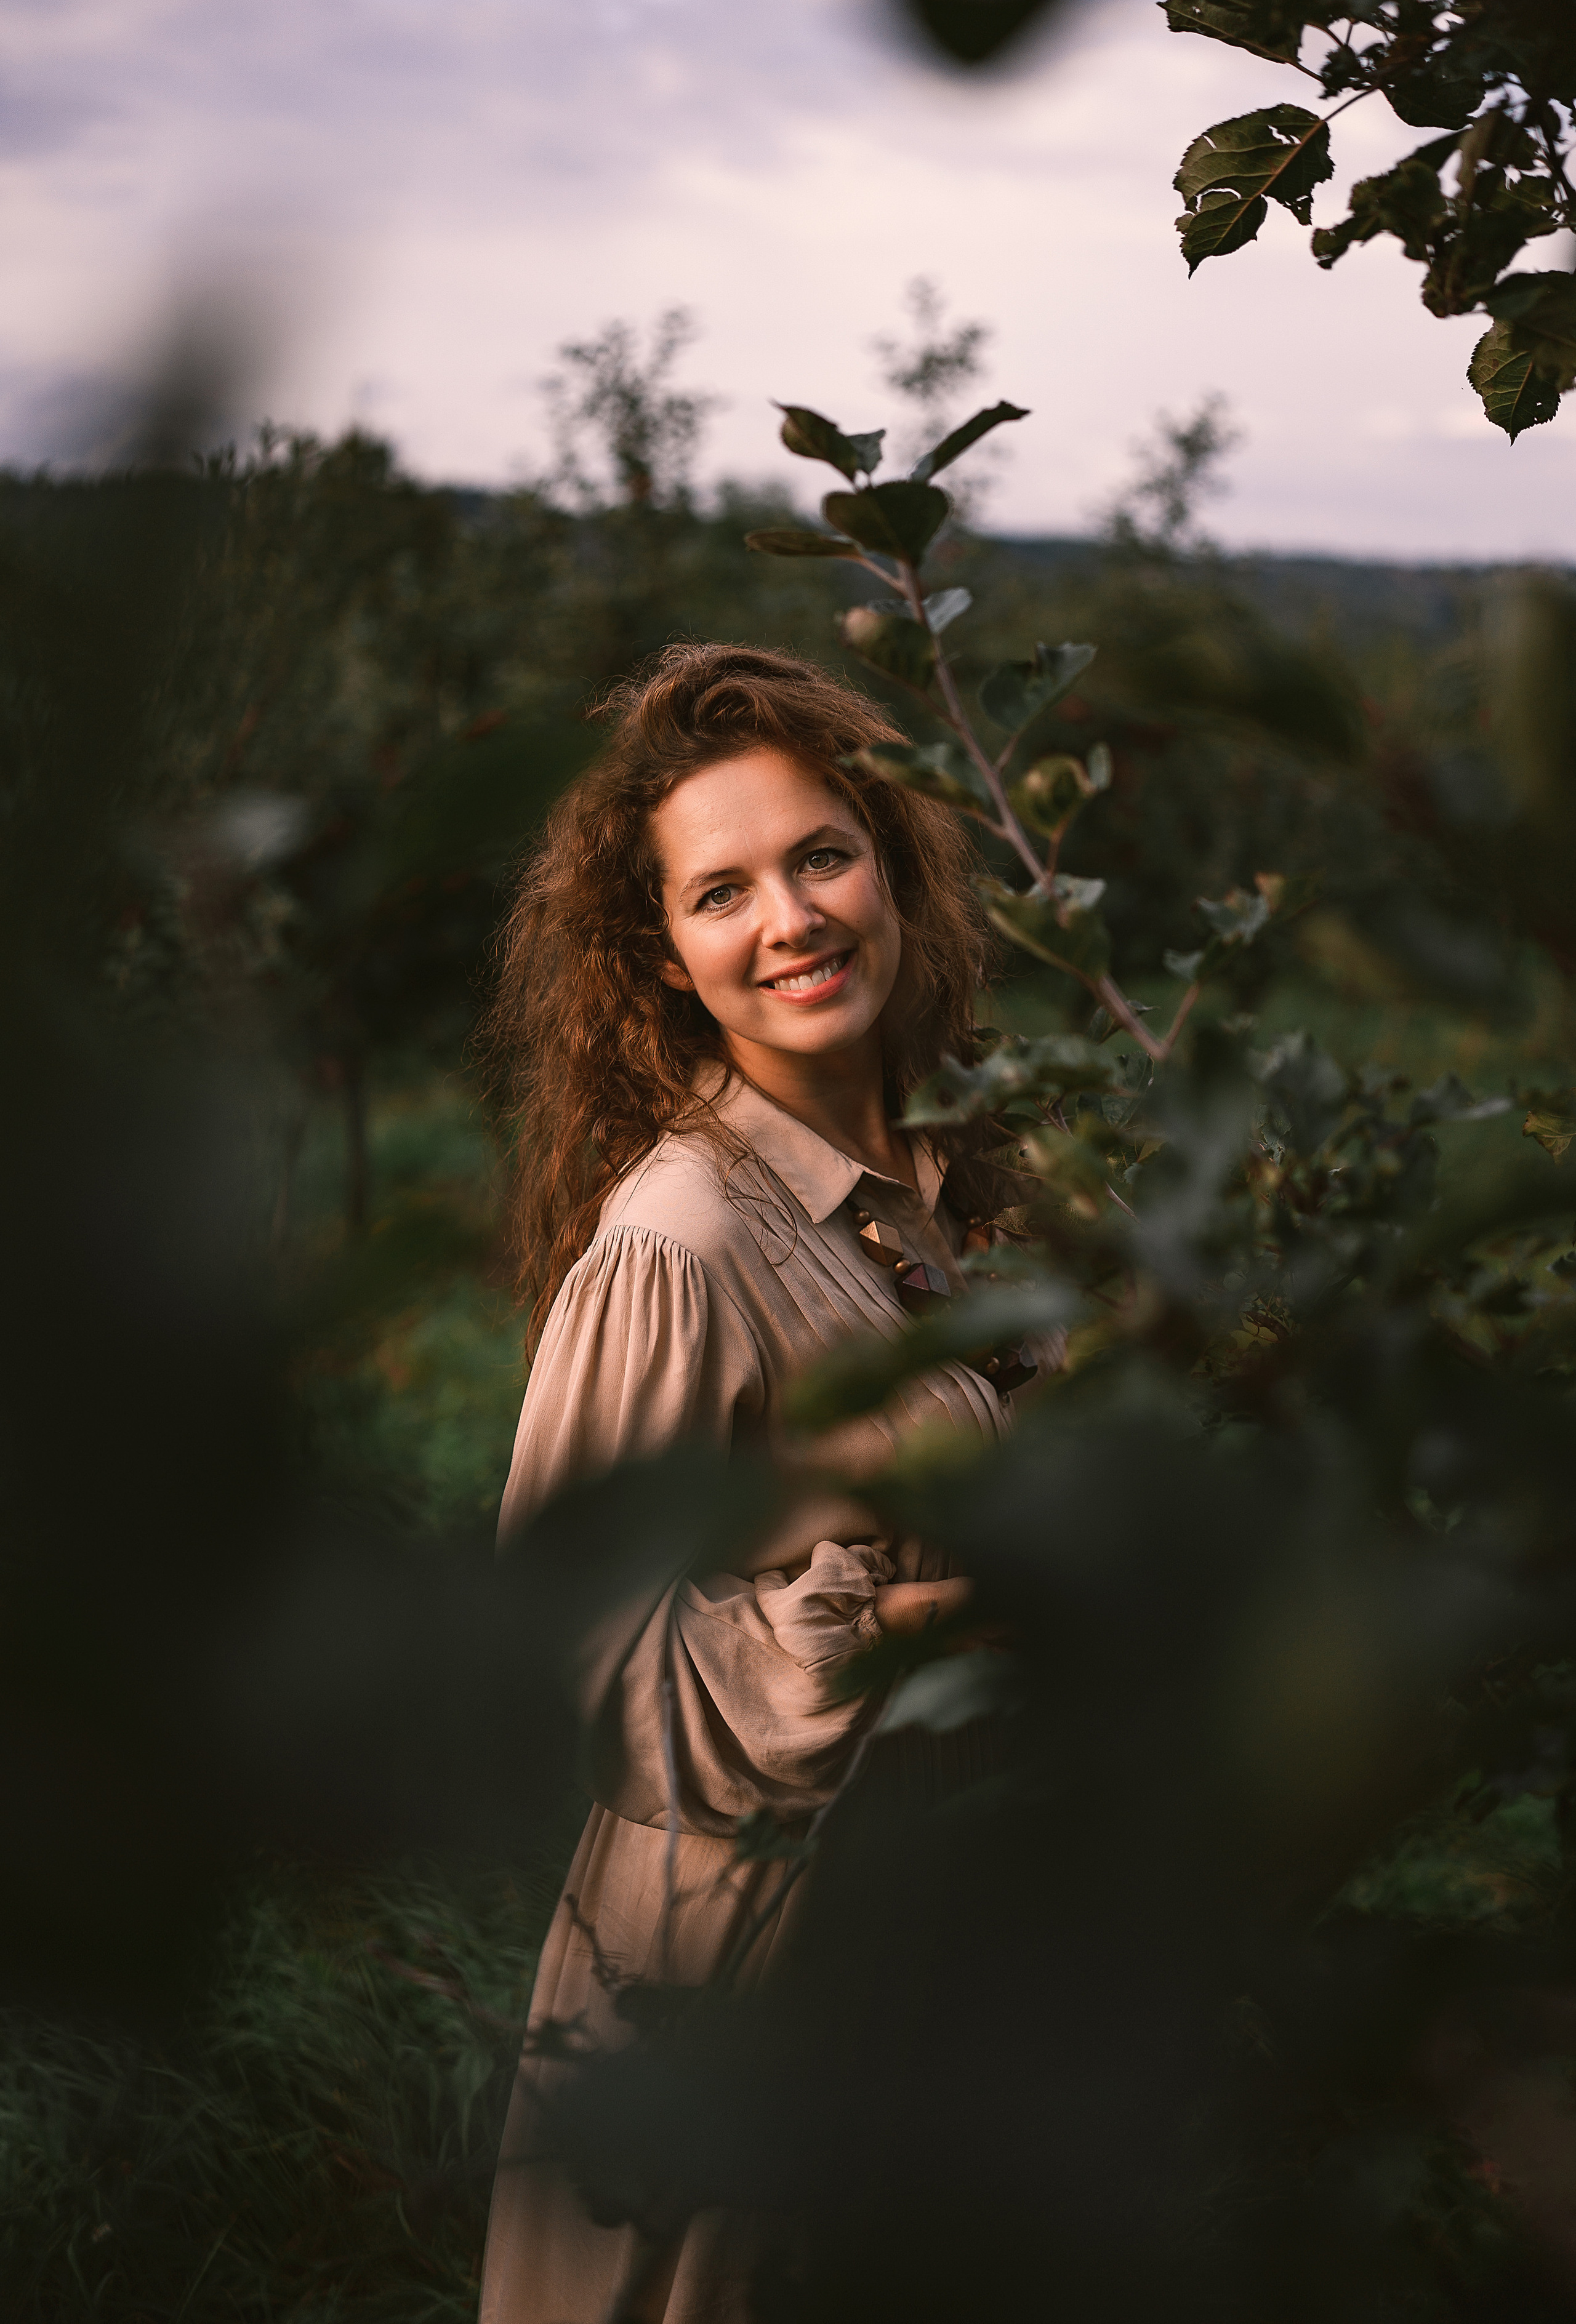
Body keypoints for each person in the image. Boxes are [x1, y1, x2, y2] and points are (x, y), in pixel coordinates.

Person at [476, 641, 1033, 2324]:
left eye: (820, 855)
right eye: (722, 890)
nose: (789, 917)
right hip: (746, 1964)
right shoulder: (682, 1241)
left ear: (892, 865)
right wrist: (894, 1619)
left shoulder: (955, 1188)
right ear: (664, 950)